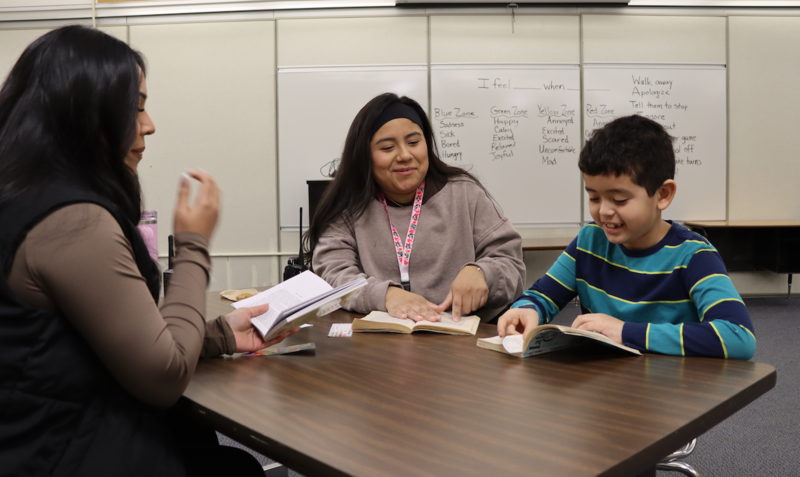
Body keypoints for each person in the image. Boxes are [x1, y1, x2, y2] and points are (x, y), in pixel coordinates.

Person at [0, 26, 295, 476]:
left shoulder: (24, 197)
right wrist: (193, 244)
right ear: (83, 111)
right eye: (136, 107)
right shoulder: (73, 222)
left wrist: (219, 335)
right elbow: (163, 376)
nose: (150, 124)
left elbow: (91, 337)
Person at [498, 115, 756, 360]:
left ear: (663, 194)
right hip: (605, 382)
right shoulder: (589, 241)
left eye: (619, 199)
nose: (603, 211)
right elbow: (543, 295)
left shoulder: (694, 256)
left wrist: (624, 331)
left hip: (672, 385)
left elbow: (738, 336)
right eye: (594, 197)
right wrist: (525, 310)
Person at [307, 93, 525, 323]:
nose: (405, 155)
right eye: (388, 147)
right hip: (381, 338)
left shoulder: (465, 193)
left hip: (464, 335)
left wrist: (483, 273)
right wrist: (384, 295)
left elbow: (511, 263)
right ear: (365, 156)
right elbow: (333, 274)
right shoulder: (348, 205)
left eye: (413, 143)